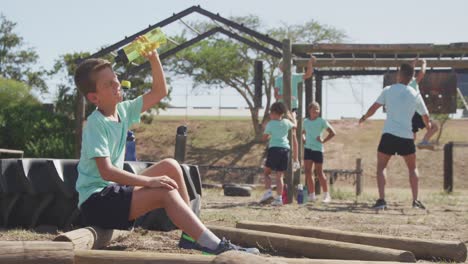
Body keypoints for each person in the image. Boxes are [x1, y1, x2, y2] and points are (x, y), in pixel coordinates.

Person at [73, 38, 259, 255]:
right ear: (94, 97)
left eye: (116, 79)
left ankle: (191, 235)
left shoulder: (122, 111)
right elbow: (107, 171)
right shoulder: (96, 123)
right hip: (97, 203)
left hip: (112, 192)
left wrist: (154, 57)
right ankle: (215, 246)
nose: (116, 85)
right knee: (164, 192)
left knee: (171, 165)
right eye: (108, 84)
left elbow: (160, 92)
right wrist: (149, 181)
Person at [359, 63, 431, 210]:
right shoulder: (415, 94)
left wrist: (364, 117)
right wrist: (428, 127)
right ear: (411, 76)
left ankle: (381, 201)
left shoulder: (388, 90)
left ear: (399, 74)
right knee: (412, 168)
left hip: (389, 134)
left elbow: (374, 108)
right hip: (407, 136)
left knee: (381, 167)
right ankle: (415, 201)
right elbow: (425, 115)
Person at [274, 56, 316, 169]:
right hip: (282, 108)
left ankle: (296, 159)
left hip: (292, 108)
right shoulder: (278, 79)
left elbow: (308, 74)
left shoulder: (295, 77)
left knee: (293, 132)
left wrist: (310, 63)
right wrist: (286, 96)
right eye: (283, 66)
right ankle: (278, 157)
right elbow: (276, 96)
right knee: (277, 132)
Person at [259, 102, 298, 206]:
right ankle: (279, 199)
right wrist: (292, 117)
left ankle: (268, 193)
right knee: (279, 176)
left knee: (267, 172)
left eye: (270, 113)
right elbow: (295, 126)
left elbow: (264, 138)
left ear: (274, 113)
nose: (270, 115)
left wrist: (264, 132)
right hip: (285, 150)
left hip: (274, 149)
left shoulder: (271, 124)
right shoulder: (286, 122)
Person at [302, 102, 336, 203]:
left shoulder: (322, 121)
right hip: (308, 149)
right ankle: (312, 195)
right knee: (308, 172)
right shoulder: (306, 121)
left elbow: (333, 132)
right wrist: (304, 139)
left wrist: (323, 141)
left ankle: (326, 196)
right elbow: (302, 133)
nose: (316, 111)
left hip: (318, 149)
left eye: (317, 109)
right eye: (314, 109)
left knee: (319, 172)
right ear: (309, 110)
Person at [409, 58, 438, 150]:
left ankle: (408, 148)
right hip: (417, 112)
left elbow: (410, 72)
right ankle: (424, 141)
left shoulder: (402, 85)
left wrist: (413, 63)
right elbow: (422, 73)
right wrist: (424, 63)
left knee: (412, 134)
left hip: (407, 113)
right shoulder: (412, 83)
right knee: (434, 126)